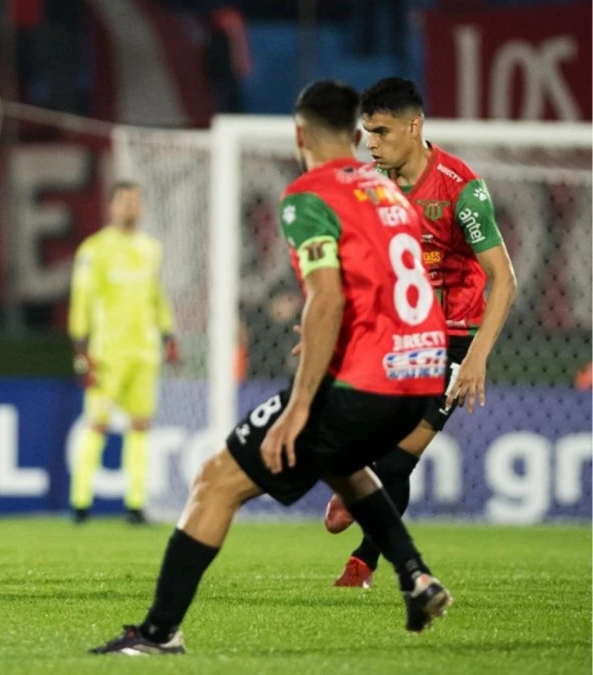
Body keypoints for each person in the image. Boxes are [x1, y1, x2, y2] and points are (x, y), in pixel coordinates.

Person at [90, 79, 452, 656]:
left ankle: (158, 634)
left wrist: (300, 404)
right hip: (422, 376)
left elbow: (327, 298)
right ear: (355, 134)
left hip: (367, 381)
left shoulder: (308, 196)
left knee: (215, 482)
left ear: (299, 134)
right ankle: (415, 576)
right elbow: (384, 289)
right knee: (342, 462)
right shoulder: (387, 191)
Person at [327, 77, 517, 588]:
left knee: (400, 458)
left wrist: (476, 357)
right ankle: (363, 525)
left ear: (414, 126)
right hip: (399, 335)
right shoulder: (370, 187)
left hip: (455, 337)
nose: (371, 143)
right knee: (376, 454)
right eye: (367, 132)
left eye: (382, 132)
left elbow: (504, 279)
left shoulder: (462, 190)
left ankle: (361, 558)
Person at [68, 181, 178, 524]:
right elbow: (82, 299)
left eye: (135, 201)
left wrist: (168, 333)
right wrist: (80, 347)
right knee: (97, 424)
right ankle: (80, 502)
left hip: (144, 351)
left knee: (141, 425)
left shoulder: (151, 249)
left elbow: (157, 296)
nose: (130, 207)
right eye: (124, 201)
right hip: (107, 352)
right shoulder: (94, 249)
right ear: (111, 206)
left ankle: (136, 504)